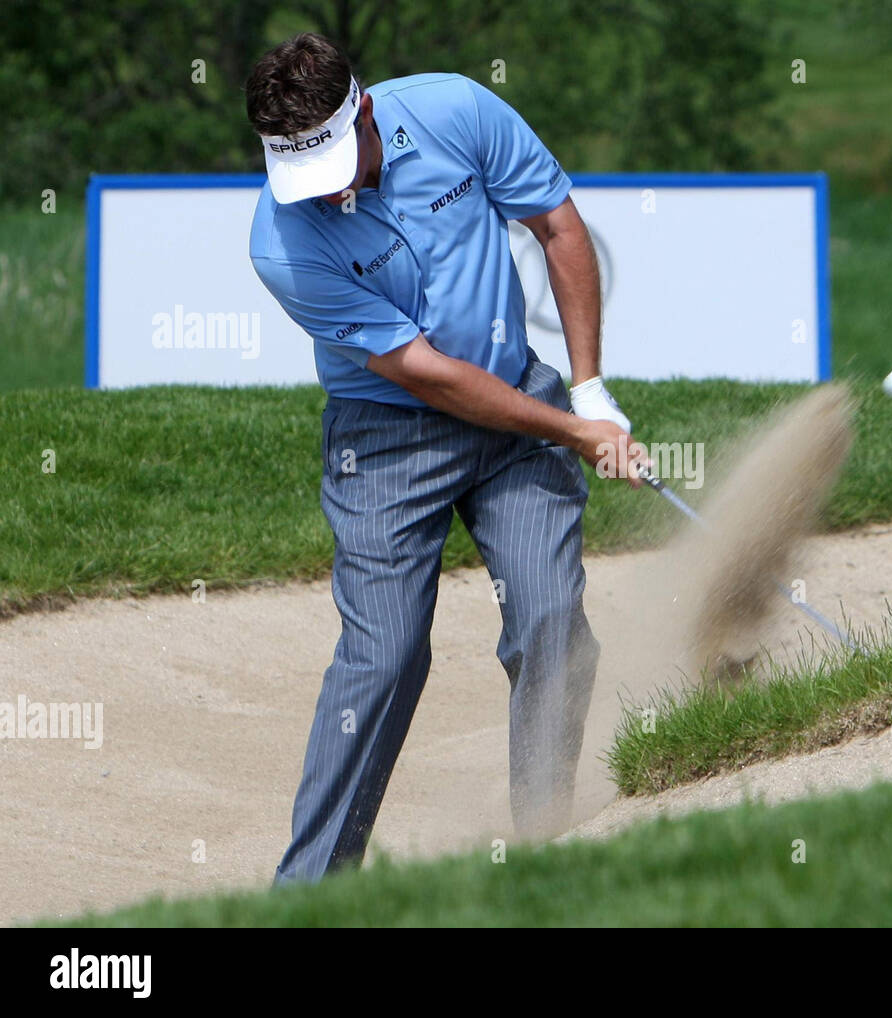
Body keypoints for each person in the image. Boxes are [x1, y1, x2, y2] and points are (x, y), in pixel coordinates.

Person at [244, 32, 647, 884]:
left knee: (548, 619)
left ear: (365, 114)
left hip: (516, 400)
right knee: (385, 655)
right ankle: (309, 892)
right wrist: (574, 431)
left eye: (336, 167)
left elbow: (558, 225)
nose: (328, 195)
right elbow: (428, 377)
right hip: (386, 441)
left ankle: (543, 844)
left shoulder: (456, 109)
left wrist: (591, 390)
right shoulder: (282, 244)